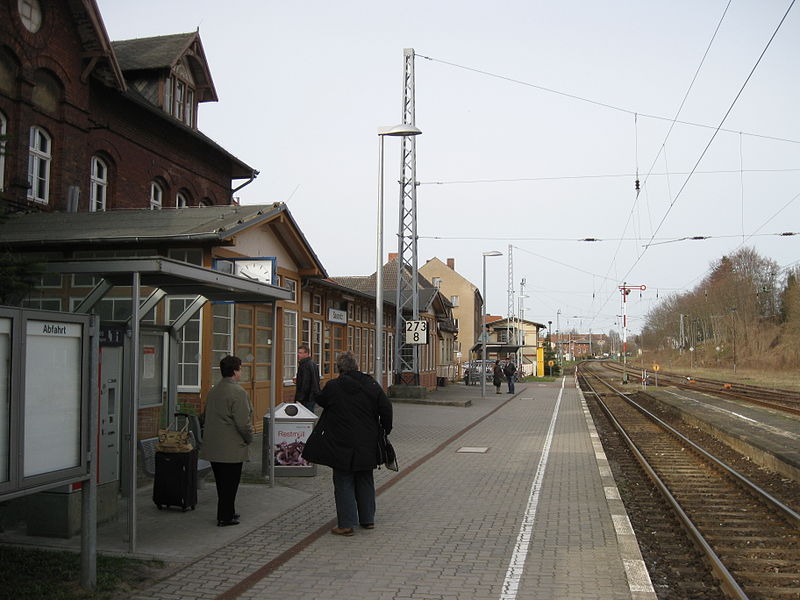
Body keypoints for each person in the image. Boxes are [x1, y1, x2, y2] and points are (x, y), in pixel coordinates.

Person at [301, 351, 393, 536]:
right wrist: (385, 429)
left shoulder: (333, 386)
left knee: (343, 480)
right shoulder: (371, 384)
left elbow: (322, 401)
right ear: (357, 366)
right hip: (367, 441)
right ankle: (367, 520)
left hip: (340, 442)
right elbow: (386, 407)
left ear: (339, 368)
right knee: (365, 478)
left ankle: (346, 524)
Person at [200, 355, 253, 527]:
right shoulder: (238, 392)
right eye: (240, 369)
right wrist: (248, 438)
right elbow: (243, 423)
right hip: (231, 447)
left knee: (221, 483)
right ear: (235, 371)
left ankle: (228, 511)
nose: (241, 372)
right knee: (230, 483)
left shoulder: (214, 390)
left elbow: (204, 415)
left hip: (214, 445)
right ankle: (225, 516)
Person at [294, 343, 321, 412]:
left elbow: (305, 384)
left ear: (306, 354)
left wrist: (299, 399)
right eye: (298, 352)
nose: (298, 355)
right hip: (312, 396)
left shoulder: (304, 365)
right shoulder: (313, 364)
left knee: (305, 417)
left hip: (307, 398)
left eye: (300, 353)